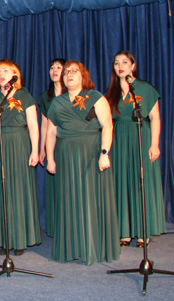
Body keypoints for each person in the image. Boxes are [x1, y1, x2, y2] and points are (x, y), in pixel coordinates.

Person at [45, 61, 120, 265]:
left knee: (91, 198)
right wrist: (50, 158)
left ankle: (93, 246)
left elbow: (107, 126)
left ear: (83, 75)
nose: (69, 74)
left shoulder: (95, 97)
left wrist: (104, 153)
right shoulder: (58, 102)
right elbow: (51, 132)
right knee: (69, 199)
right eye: (66, 72)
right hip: (66, 156)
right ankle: (72, 247)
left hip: (91, 154)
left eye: (74, 71)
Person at [105, 51, 166, 248]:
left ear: (133, 65)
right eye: (116, 63)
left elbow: (154, 117)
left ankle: (143, 231)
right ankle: (124, 231)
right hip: (118, 139)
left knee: (141, 183)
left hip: (140, 135)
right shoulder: (111, 92)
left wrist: (154, 144)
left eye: (124, 62)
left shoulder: (144, 88)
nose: (120, 66)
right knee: (122, 182)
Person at [0, 59, 41, 256]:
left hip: (20, 144)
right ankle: (4, 238)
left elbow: (33, 126)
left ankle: (20, 238)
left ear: (15, 75)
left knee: (19, 190)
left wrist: (35, 150)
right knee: (1, 191)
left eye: (5, 71)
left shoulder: (25, 96)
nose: (1, 74)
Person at [38, 58, 66, 238]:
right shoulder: (45, 97)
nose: (54, 70)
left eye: (59, 67)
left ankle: (69, 226)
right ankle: (57, 227)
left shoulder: (73, 94)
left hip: (68, 143)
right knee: (54, 187)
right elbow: (44, 125)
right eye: (52, 67)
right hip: (51, 145)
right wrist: (42, 149)